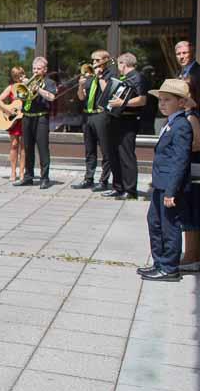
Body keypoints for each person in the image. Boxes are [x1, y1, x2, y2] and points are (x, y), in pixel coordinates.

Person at [139, 79, 193, 281]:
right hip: (160, 184)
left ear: (181, 103)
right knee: (154, 222)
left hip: (170, 186)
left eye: (167, 100)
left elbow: (180, 161)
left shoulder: (181, 125)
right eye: (160, 100)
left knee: (169, 226)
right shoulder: (169, 122)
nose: (161, 104)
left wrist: (171, 191)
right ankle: (159, 262)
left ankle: (169, 267)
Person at [106, 52, 148, 200]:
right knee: (114, 154)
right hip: (116, 119)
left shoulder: (138, 77)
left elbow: (142, 99)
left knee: (126, 155)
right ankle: (118, 187)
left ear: (123, 64)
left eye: (119, 64)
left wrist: (122, 103)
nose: (118, 67)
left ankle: (130, 190)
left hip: (128, 120)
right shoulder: (123, 78)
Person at [73, 51, 114, 190]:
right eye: (93, 60)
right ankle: (88, 178)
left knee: (105, 149)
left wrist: (100, 77)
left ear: (105, 60)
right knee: (89, 149)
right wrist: (80, 85)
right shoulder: (89, 76)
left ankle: (104, 181)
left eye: (97, 60)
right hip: (88, 115)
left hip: (101, 114)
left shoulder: (110, 75)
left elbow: (108, 93)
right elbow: (81, 97)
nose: (94, 63)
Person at [15, 57, 58, 190]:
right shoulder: (28, 81)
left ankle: (45, 178)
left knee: (43, 149)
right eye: (34, 68)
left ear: (45, 70)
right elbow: (19, 96)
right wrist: (23, 88)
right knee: (28, 148)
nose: (35, 71)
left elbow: (52, 97)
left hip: (41, 118)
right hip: (27, 117)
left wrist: (37, 89)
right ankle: (28, 177)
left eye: (38, 69)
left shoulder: (49, 82)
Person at [180, 74, 200, 271]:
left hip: (196, 166)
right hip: (197, 165)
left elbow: (199, 144)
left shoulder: (191, 116)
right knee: (193, 209)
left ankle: (192, 256)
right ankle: (193, 255)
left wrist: (178, 147)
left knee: (193, 208)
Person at [0, 66, 26, 183]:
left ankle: (22, 172)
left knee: (24, 146)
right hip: (14, 120)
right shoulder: (11, 88)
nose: (18, 78)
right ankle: (13, 171)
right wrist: (7, 109)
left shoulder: (27, 86)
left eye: (20, 75)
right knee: (14, 145)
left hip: (24, 118)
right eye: (16, 76)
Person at [175, 41, 200, 133]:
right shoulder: (178, 73)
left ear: (193, 54)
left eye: (184, 53)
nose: (181, 56)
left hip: (196, 120)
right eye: (178, 54)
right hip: (181, 120)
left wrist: (190, 102)